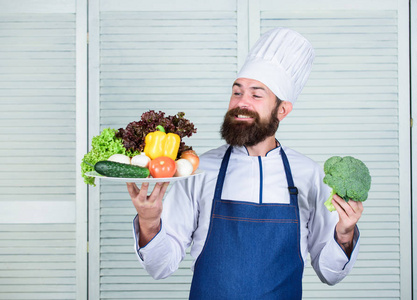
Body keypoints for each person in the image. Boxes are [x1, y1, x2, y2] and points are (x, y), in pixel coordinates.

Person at [127, 27, 363, 300]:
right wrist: (149, 221)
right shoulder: (198, 169)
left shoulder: (309, 174)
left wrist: (344, 233)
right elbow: (160, 267)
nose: (242, 103)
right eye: (237, 93)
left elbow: (330, 273)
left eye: (256, 94)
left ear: (282, 110)